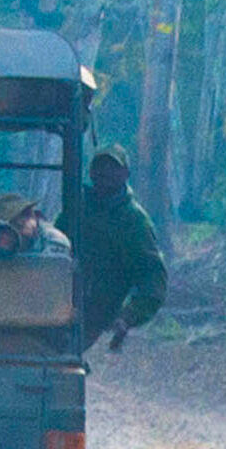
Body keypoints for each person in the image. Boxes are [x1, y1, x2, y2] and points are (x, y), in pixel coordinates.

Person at [64, 134, 172, 346]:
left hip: (95, 313)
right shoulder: (78, 207)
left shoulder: (135, 221)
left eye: (113, 167)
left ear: (125, 174)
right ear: (91, 171)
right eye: (100, 166)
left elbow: (152, 276)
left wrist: (129, 316)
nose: (105, 172)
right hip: (59, 302)